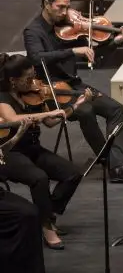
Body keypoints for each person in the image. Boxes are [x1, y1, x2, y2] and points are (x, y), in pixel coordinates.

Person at [23, 0, 123, 184]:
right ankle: (113, 163)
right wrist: (73, 52)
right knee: (85, 110)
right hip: (51, 90)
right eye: (60, 7)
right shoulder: (33, 31)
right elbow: (35, 57)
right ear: (47, 5)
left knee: (115, 108)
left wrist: (117, 40)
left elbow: (97, 57)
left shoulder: (68, 27)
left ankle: (116, 164)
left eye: (67, 7)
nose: (65, 12)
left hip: (74, 85)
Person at [0, 53, 81, 250]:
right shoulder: (2, 98)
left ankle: (46, 214)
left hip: (32, 148)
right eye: (27, 79)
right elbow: (15, 119)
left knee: (72, 174)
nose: (33, 82)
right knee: (39, 178)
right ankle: (46, 227)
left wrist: (74, 106)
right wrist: (49, 112)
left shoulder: (33, 94)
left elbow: (51, 122)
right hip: (9, 152)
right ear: (13, 81)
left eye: (33, 76)